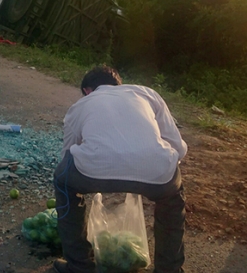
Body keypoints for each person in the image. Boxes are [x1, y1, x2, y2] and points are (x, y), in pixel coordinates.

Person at [53, 65, 186, 273]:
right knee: (172, 198)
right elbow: (178, 147)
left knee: (62, 181)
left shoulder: (81, 105)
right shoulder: (147, 93)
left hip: (91, 173)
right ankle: (169, 270)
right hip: (157, 174)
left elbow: (67, 153)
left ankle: (79, 266)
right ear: (118, 84)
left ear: (88, 90)